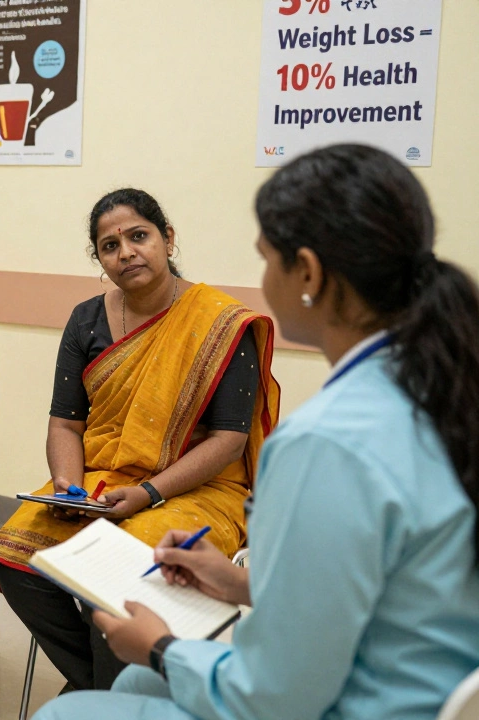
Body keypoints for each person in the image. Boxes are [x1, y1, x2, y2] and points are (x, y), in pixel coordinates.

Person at [35, 144, 479, 720]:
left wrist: (160, 649)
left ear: (309, 274)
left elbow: (276, 696)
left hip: (352, 700)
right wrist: (243, 585)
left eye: (267, 258)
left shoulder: (322, 444)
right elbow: (371, 589)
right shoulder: (441, 389)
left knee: (59, 717)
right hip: (414, 675)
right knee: (127, 692)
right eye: (109, 246)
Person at [0, 188, 280, 692]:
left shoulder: (220, 322)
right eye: (109, 245)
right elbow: (66, 424)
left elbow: (230, 441)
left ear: (167, 239)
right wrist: (68, 488)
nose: (126, 252)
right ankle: (103, 685)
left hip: (202, 488)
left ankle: (106, 690)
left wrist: (148, 494)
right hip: (105, 481)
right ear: (99, 258)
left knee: (118, 570)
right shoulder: (87, 319)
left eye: (138, 236)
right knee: (13, 554)